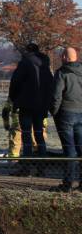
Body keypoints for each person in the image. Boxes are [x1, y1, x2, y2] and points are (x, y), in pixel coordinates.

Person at [9, 42, 54, 176]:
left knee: (26, 136)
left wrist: (14, 99)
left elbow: (15, 83)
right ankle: (41, 169)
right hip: (41, 107)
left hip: (26, 106)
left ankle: (26, 168)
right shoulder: (46, 65)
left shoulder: (24, 63)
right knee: (40, 136)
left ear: (27, 51)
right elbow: (50, 85)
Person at [49, 46, 82, 192]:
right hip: (81, 113)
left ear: (65, 58)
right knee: (80, 148)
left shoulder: (62, 73)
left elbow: (56, 95)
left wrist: (54, 111)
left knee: (69, 149)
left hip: (66, 113)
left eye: (62, 56)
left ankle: (68, 183)